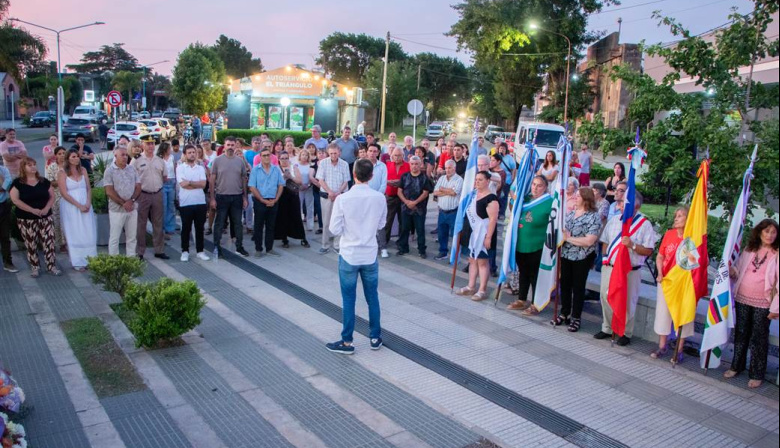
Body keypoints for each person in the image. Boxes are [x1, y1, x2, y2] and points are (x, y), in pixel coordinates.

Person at [325, 159, 387, 355]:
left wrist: (349, 230)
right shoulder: (379, 198)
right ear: (371, 176)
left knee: (349, 299)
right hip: (369, 254)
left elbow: (334, 228)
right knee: (372, 297)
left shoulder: (343, 199)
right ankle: (375, 337)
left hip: (350, 254)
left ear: (353, 174)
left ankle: (347, 342)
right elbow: (381, 225)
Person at [595, 191, 658, 346]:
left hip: (630, 270)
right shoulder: (615, 220)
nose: (620, 205)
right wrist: (604, 259)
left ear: (635, 205)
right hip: (610, 267)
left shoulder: (644, 224)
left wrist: (633, 245)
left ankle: (624, 332)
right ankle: (608, 327)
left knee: (628, 300)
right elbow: (605, 241)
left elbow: (649, 249)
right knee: (605, 296)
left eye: (623, 202)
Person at [723, 219, 779, 388]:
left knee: (759, 338)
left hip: (763, 303)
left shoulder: (777, 254)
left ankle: (756, 373)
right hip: (742, 298)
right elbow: (738, 270)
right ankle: (736, 366)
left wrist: (775, 308)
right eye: (766, 231)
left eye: (773, 232)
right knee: (740, 333)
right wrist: (731, 270)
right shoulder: (749, 250)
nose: (769, 235)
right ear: (760, 232)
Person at [554, 187, 602, 332]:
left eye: (578, 195)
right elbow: (562, 232)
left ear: (586, 199)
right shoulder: (570, 214)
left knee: (578, 287)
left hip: (582, 257)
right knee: (565, 285)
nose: (575, 197)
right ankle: (565, 313)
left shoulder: (593, 217)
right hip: (567, 255)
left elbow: (589, 241)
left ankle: (576, 317)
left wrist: (569, 238)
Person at [651, 207, 693, 361]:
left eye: (680, 216)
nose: (676, 218)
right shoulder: (669, 234)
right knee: (663, 313)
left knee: (683, 314)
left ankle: (679, 350)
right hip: (667, 280)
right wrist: (660, 273)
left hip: (683, 283)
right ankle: (662, 346)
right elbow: (660, 256)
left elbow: (697, 262)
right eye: (676, 216)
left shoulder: (692, 237)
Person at [506, 176, 553, 311]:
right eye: (533, 184)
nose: (535, 188)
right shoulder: (525, 198)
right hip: (521, 243)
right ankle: (522, 299)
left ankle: (535, 303)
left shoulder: (549, 202)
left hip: (537, 245)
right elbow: (513, 208)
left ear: (545, 188)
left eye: (539, 186)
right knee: (523, 272)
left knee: (534, 275)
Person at [9, 157, 60, 277]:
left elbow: (52, 196)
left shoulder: (43, 181)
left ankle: (51, 266)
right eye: (29, 165)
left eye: (34, 164)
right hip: (26, 218)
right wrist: (32, 210)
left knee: (49, 241)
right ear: (23, 167)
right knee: (31, 243)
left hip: (45, 216)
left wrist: (47, 208)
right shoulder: (18, 183)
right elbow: (15, 200)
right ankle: (35, 267)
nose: (33, 167)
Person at [455, 171, 499, 301]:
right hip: (472, 233)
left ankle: (482, 290)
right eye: (476, 179)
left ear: (487, 181)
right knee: (472, 260)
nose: (477, 182)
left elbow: (493, 220)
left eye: (480, 179)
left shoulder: (491, 198)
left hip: (484, 233)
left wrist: (488, 237)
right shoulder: (473, 195)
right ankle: (471, 286)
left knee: (482, 262)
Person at [57, 150, 97, 271]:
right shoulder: (62, 173)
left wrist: (88, 202)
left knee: (88, 231)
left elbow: (89, 188)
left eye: (77, 156)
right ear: (68, 158)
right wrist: (78, 205)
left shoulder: (83, 170)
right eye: (73, 157)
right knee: (75, 232)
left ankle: (91, 259)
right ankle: (78, 261)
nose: (76, 159)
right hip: (71, 206)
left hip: (85, 204)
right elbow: (64, 193)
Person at [210, 136, 249, 257]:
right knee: (219, 223)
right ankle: (217, 247)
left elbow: (243, 180)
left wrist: (245, 197)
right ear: (224, 145)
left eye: (233, 145)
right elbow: (212, 180)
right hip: (222, 196)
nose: (231, 147)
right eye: (228, 145)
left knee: (238, 223)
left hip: (237, 197)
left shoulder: (240, 161)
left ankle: (239, 246)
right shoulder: (217, 160)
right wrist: (212, 198)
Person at [131, 136, 169, 260]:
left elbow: (164, 177)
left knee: (158, 223)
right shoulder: (136, 160)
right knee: (140, 224)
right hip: (142, 195)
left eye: (152, 143)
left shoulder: (160, 160)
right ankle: (140, 252)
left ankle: (159, 250)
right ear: (143, 145)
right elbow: (131, 178)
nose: (150, 146)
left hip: (157, 193)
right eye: (148, 144)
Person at [103, 146, 141, 258]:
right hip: (117, 210)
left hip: (132, 208)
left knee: (132, 237)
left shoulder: (132, 169)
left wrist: (131, 200)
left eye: (126, 155)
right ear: (115, 156)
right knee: (115, 237)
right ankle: (114, 261)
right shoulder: (109, 171)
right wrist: (123, 203)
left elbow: (138, 186)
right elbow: (109, 191)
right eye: (122, 155)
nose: (125, 157)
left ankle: (131, 260)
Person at [248, 147, 284, 257]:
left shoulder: (276, 169)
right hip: (260, 201)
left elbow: (281, 185)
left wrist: (276, 199)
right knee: (258, 226)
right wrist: (262, 200)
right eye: (264, 155)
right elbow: (252, 187)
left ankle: (269, 248)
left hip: (273, 201)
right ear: (260, 157)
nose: (267, 157)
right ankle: (258, 249)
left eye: (268, 155)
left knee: (271, 226)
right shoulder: (255, 170)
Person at [176, 144, 210, 261]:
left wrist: (190, 182)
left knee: (199, 228)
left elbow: (203, 184)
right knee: (186, 228)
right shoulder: (180, 168)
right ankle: (185, 251)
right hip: (186, 203)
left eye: (193, 152)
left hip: (200, 202)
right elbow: (183, 185)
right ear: (185, 154)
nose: (192, 154)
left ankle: (200, 251)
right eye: (189, 152)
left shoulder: (200, 168)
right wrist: (195, 184)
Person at [316, 143, 350, 254]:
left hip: (340, 196)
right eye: (331, 153)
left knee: (340, 221)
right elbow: (321, 180)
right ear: (328, 153)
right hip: (327, 196)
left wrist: (338, 193)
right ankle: (325, 245)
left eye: (335, 153)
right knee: (326, 222)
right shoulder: (323, 163)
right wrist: (330, 192)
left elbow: (346, 181)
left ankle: (337, 245)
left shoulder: (344, 164)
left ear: (339, 152)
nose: (333, 155)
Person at [396, 156, 433, 258]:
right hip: (405, 208)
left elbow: (425, 193)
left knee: (420, 230)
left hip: (419, 209)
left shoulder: (425, 177)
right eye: (412, 164)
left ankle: (422, 250)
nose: (414, 166)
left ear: (420, 164)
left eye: (416, 164)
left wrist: (415, 202)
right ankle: (403, 248)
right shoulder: (404, 176)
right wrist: (407, 202)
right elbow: (399, 191)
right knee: (404, 229)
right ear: (409, 164)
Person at [275, 151, 309, 249]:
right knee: (282, 216)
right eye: (282, 158)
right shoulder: (276, 168)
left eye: (286, 158)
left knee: (296, 216)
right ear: (279, 159)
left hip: (293, 194)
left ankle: (302, 237)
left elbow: (300, 181)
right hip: (281, 194)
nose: (284, 160)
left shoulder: (294, 167)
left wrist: (290, 177)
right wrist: (283, 178)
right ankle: (284, 238)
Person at [433, 159, 463, 260]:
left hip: (453, 212)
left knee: (455, 234)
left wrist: (442, 189)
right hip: (442, 211)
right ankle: (443, 252)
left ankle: (456, 253)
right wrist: (448, 191)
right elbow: (435, 192)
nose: (448, 170)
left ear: (454, 168)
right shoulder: (441, 178)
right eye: (446, 168)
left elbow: (455, 193)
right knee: (442, 234)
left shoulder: (459, 179)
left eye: (450, 168)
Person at [45, 146, 68, 252]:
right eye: (59, 153)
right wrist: (61, 181)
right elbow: (50, 182)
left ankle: (69, 242)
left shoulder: (69, 166)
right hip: (57, 196)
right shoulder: (52, 167)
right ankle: (61, 243)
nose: (62, 155)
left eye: (64, 153)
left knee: (68, 220)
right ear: (56, 155)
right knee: (58, 220)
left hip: (69, 196)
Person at [157, 143, 177, 237]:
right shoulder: (159, 159)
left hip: (172, 181)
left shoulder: (172, 157)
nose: (171, 149)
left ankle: (170, 227)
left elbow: (174, 168)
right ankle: (162, 228)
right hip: (163, 183)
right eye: (169, 148)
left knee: (171, 205)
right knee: (163, 206)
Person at [0, 164, 16, 273]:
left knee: (5, 236)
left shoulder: (3, 169)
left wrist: (2, 187)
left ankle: (8, 262)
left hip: (3, 206)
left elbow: (7, 184)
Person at [295, 148, 316, 231]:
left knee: (309, 206)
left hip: (308, 188)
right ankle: (298, 224)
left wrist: (308, 185)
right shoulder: (296, 165)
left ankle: (310, 225)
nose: (304, 156)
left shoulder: (311, 165)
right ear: (300, 156)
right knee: (298, 206)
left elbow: (312, 176)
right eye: (303, 155)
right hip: (299, 188)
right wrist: (299, 185)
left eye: (306, 155)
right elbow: (295, 176)